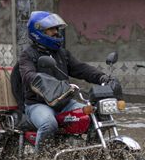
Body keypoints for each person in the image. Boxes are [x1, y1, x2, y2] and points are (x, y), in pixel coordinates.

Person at [18, 11, 113, 152]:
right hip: (38, 105)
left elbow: (80, 68)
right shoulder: (28, 55)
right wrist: (47, 83)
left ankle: (91, 158)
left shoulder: (62, 53)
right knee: (49, 124)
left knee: (95, 115)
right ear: (38, 32)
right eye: (51, 29)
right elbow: (28, 76)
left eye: (57, 29)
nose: (56, 32)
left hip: (65, 103)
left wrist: (103, 78)